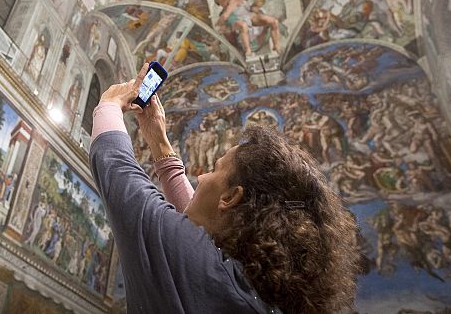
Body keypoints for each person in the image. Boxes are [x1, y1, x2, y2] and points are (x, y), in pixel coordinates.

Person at [90, 65, 359, 313]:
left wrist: (109, 104)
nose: (201, 177)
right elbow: (195, 233)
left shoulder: (197, 265)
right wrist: (158, 141)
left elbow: (116, 169)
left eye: (215, 169)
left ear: (230, 197)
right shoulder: (257, 290)